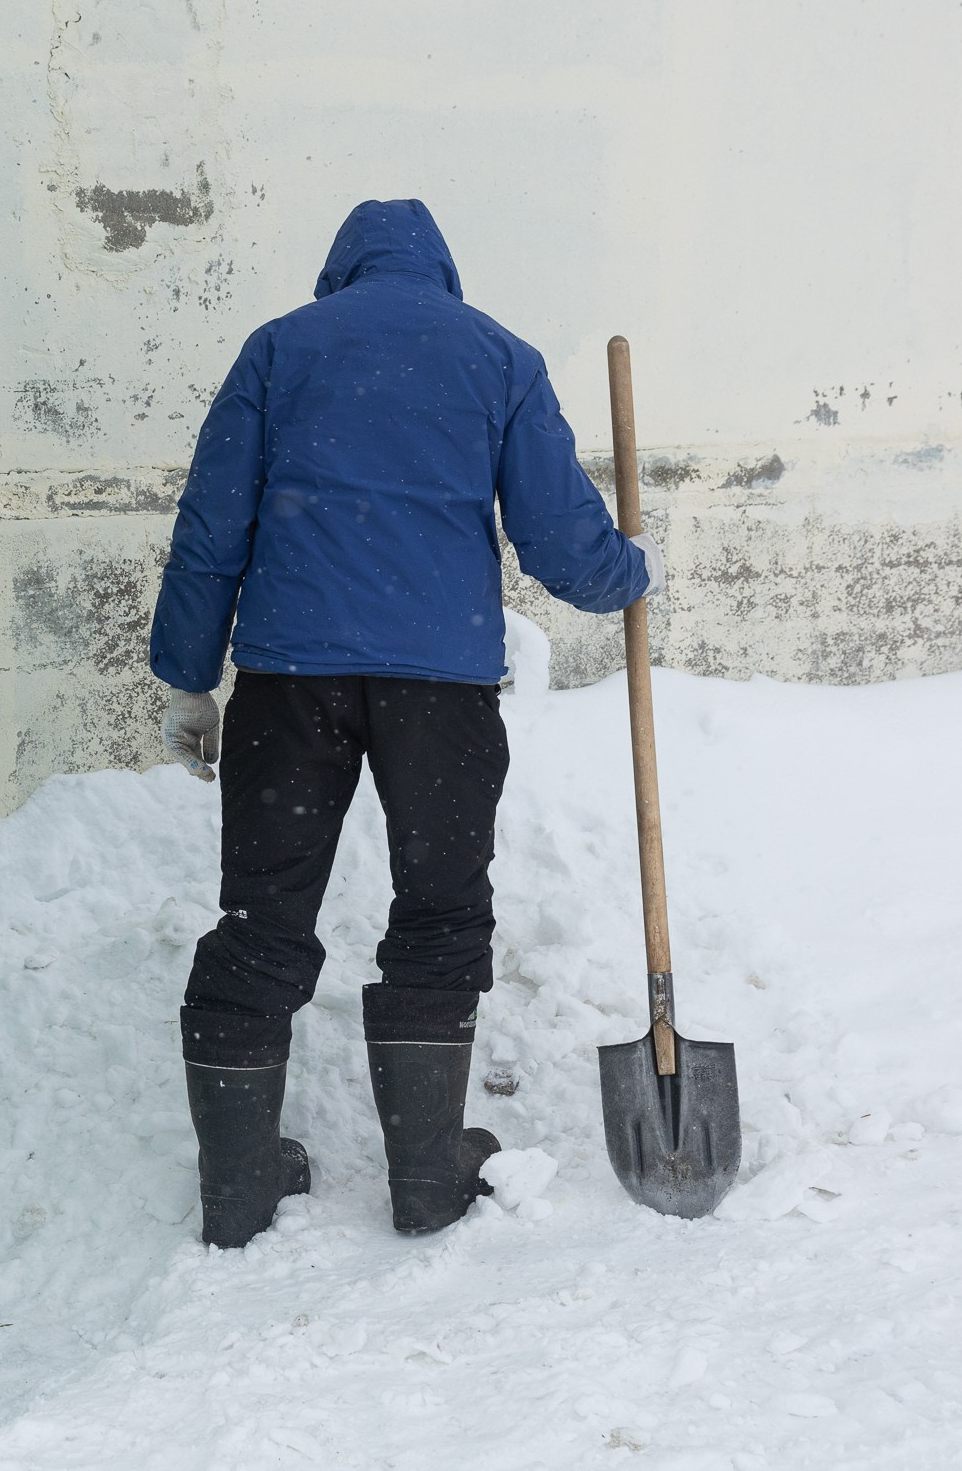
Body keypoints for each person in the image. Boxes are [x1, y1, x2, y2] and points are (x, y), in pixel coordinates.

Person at [148, 199, 663, 1248]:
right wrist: (629, 570)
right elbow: (561, 539)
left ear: (340, 273)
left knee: (260, 916)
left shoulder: (280, 349)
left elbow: (211, 524)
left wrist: (188, 675)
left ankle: (238, 1185)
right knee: (438, 907)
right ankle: (427, 1174)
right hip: (441, 689)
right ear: (444, 273)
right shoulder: (497, 359)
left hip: (291, 682)